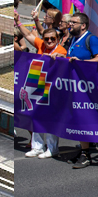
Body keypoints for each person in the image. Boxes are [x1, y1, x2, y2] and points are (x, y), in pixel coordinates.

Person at [15, 13, 66, 159]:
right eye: (46, 39)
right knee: (35, 116)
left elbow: (65, 61)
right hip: (37, 85)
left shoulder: (60, 50)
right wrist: (18, 21)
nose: (49, 41)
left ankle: (52, 148)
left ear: (57, 39)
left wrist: (61, 58)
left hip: (52, 90)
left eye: (52, 39)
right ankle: (37, 147)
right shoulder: (41, 44)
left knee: (49, 119)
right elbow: (28, 36)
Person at [66, 12, 98, 168]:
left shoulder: (91, 39)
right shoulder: (73, 40)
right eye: (70, 22)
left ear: (83, 25)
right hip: (75, 86)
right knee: (78, 118)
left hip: (88, 88)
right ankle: (85, 149)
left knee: (83, 119)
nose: (70, 24)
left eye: (73, 22)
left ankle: (86, 155)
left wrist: (82, 62)